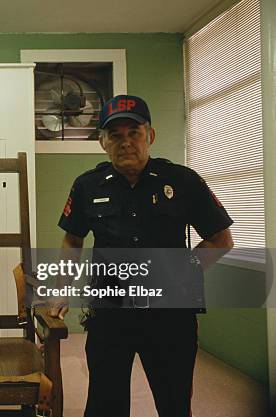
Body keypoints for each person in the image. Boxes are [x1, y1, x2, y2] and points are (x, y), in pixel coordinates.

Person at [55, 95, 234, 417]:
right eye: (116, 135)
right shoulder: (87, 185)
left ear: (149, 136)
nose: (126, 143)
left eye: (133, 133)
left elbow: (221, 239)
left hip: (170, 316)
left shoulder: (183, 181)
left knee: (174, 401)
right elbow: (72, 239)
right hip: (110, 314)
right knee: (104, 403)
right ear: (103, 143)